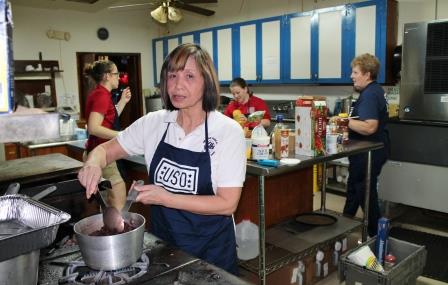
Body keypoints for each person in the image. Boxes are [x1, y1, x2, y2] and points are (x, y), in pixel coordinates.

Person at [78, 43, 246, 274]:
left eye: (189, 76)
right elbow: (105, 150)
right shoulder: (154, 123)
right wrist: (92, 164)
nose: (178, 85)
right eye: (172, 76)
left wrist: (167, 197)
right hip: (165, 247)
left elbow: (227, 204)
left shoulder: (227, 131)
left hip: (212, 252)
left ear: (206, 81)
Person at [343, 53, 390, 237]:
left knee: (365, 192)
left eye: (355, 72)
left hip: (369, 152)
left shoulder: (370, 94)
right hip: (373, 149)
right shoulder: (375, 90)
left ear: (367, 74)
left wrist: (343, 121)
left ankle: (378, 236)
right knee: (355, 187)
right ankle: (344, 224)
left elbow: (370, 126)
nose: (351, 76)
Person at [84, 60, 132, 210]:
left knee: (105, 202)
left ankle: (108, 228)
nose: (119, 77)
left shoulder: (100, 93)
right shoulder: (102, 96)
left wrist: (123, 101)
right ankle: (117, 231)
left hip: (94, 151)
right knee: (118, 194)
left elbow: (108, 118)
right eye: (116, 74)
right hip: (101, 153)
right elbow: (93, 127)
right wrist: (121, 135)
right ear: (106, 76)